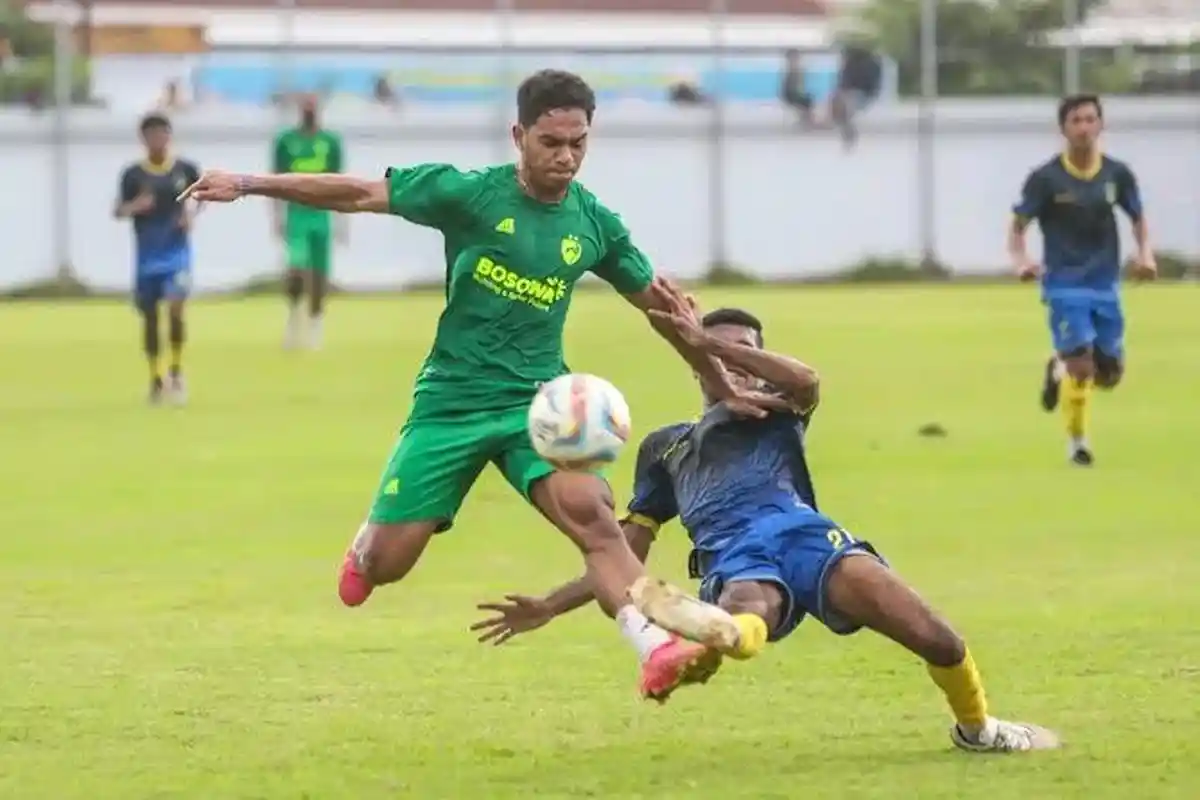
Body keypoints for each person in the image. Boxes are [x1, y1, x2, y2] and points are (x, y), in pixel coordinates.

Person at [179, 69, 787, 698]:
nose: (567, 156)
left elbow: (662, 309)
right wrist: (247, 183)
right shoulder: (467, 195)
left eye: (579, 142)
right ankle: (364, 548)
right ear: (518, 135)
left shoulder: (594, 224)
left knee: (595, 520)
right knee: (383, 567)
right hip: (451, 403)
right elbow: (357, 193)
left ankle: (655, 648)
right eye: (551, 142)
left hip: (539, 408)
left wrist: (721, 383)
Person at [472, 294, 1061, 752]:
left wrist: (709, 341)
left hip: (809, 537)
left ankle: (978, 731)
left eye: (746, 351)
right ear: (697, 369)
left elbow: (806, 381)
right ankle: (717, 633)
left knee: (940, 640)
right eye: (719, 352)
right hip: (732, 552)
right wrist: (551, 605)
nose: (737, 366)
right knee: (749, 609)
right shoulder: (665, 449)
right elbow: (623, 550)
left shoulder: (775, 412)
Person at [1009, 94, 1156, 466]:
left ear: (1101, 125)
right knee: (1082, 366)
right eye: (1076, 120)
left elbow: (1138, 216)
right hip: (1063, 284)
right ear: (1063, 129)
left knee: (1108, 374)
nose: (1084, 127)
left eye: (1091, 119)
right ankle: (1078, 444)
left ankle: (1057, 367)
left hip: (1105, 284)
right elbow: (1018, 226)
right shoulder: (1045, 179)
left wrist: (1145, 254)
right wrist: (1022, 260)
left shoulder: (1116, 174)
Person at [114, 112, 200, 405]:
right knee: (150, 318)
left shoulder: (185, 169)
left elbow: (202, 195)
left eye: (162, 133)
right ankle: (155, 377)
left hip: (177, 254)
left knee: (176, 308)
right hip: (147, 256)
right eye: (152, 135)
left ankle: (176, 371)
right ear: (143, 139)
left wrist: (191, 215)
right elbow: (118, 211)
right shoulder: (134, 175)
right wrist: (137, 205)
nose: (158, 140)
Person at [272, 95, 346, 350]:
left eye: (313, 107)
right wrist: (277, 216)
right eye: (305, 106)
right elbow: (274, 180)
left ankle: (316, 325)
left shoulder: (330, 142)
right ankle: (293, 318)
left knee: (319, 274)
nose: (309, 111)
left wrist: (342, 220)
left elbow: (341, 181)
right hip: (296, 214)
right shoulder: (286, 141)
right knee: (296, 270)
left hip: (322, 214)